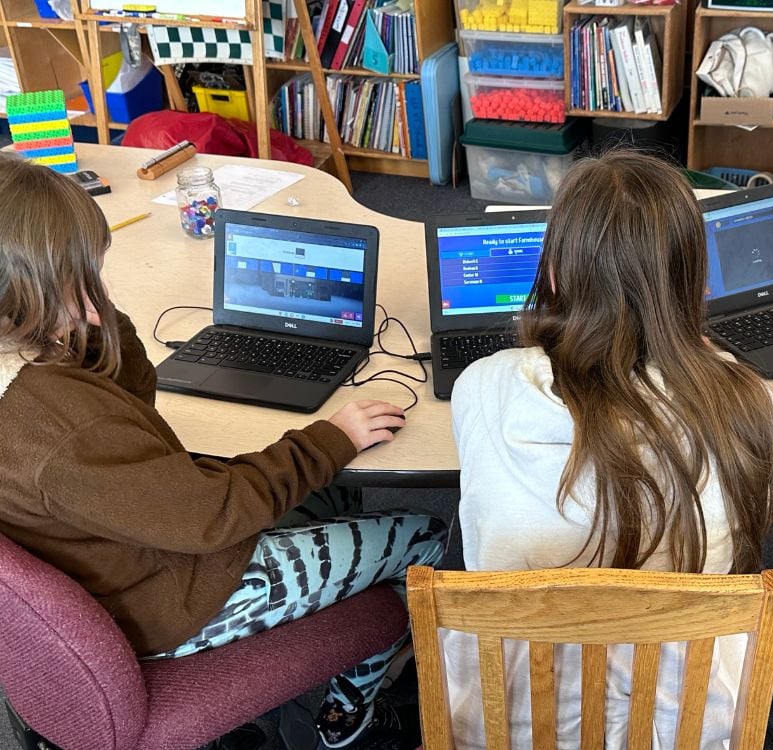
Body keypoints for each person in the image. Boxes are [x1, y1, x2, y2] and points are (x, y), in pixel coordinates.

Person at [0, 155, 447, 749]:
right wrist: (330, 437)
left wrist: (99, 321)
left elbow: (137, 411)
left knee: (334, 491)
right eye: (78, 283)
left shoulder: (27, 374)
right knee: (424, 535)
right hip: (171, 594)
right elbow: (211, 517)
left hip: (116, 554)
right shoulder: (62, 426)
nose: (97, 298)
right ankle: (351, 717)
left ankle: (343, 593)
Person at [445, 150, 773, 748]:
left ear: (555, 274)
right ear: (697, 282)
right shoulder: (754, 409)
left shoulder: (481, 386)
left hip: (512, 721)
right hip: (685, 723)